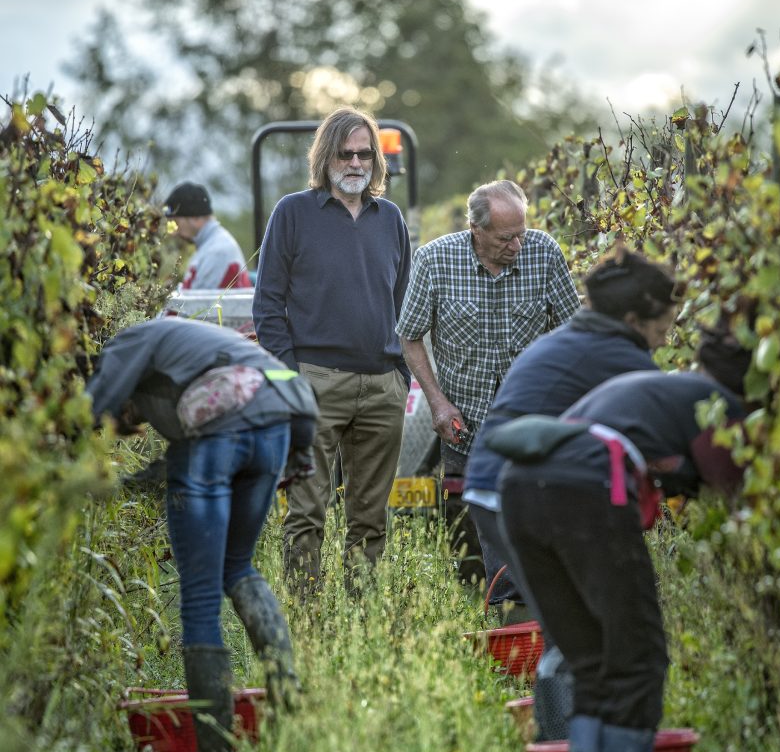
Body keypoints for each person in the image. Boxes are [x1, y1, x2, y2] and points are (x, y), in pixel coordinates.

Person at [493, 330, 752, 752]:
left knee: (589, 660)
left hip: (518, 489)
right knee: (639, 655)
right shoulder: (715, 403)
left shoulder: (651, 389)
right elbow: (734, 493)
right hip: (584, 489)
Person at [86, 316, 319, 752]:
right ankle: (288, 702)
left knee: (199, 598)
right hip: (279, 423)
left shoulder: (128, 343)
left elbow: (88, 409)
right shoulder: (197, 347)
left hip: (222, 429)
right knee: (238, 567)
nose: (134, 422)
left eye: (132, 416)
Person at [462, 247, 678, 633]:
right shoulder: (621, 357)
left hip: (493, 482)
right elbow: (666, 450)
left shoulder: (574, 338)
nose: (662, 343)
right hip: (512, 489)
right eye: (661, 331)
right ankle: (558, 680)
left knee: (569, 624)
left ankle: (557, 681)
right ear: (633, 320)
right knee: (580, 623)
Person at [253, 107, 411, 595]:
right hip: (315, 381)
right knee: (306, 512)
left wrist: (401, 376)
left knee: (370, 517)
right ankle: (306, 624)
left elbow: (404, 303)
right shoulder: (293, 213)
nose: (357, 162)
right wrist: (289, 381)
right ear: (326, 157)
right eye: (346, 153)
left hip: (382, 385)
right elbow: (267, 307)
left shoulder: (390, 219)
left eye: (365, 153)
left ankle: (359, 618)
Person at [396, 179, 580, 586]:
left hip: (532, 422)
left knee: (537, 523)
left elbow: (574, 332)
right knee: (476, 542)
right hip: (467, 426)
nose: (517, 247)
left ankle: (532, 611)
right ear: (476, 230)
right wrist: (439, 403)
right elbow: (409, 337)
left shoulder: (544, 254)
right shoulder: (435, 261)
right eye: (505, 238)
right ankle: (496, 613)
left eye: (521, 234)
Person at [163, 181, 253, 290]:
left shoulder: (217, 251)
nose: (174, 232)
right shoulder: (210, 246)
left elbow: (198, 305)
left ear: (195, 218)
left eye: (176, 222)